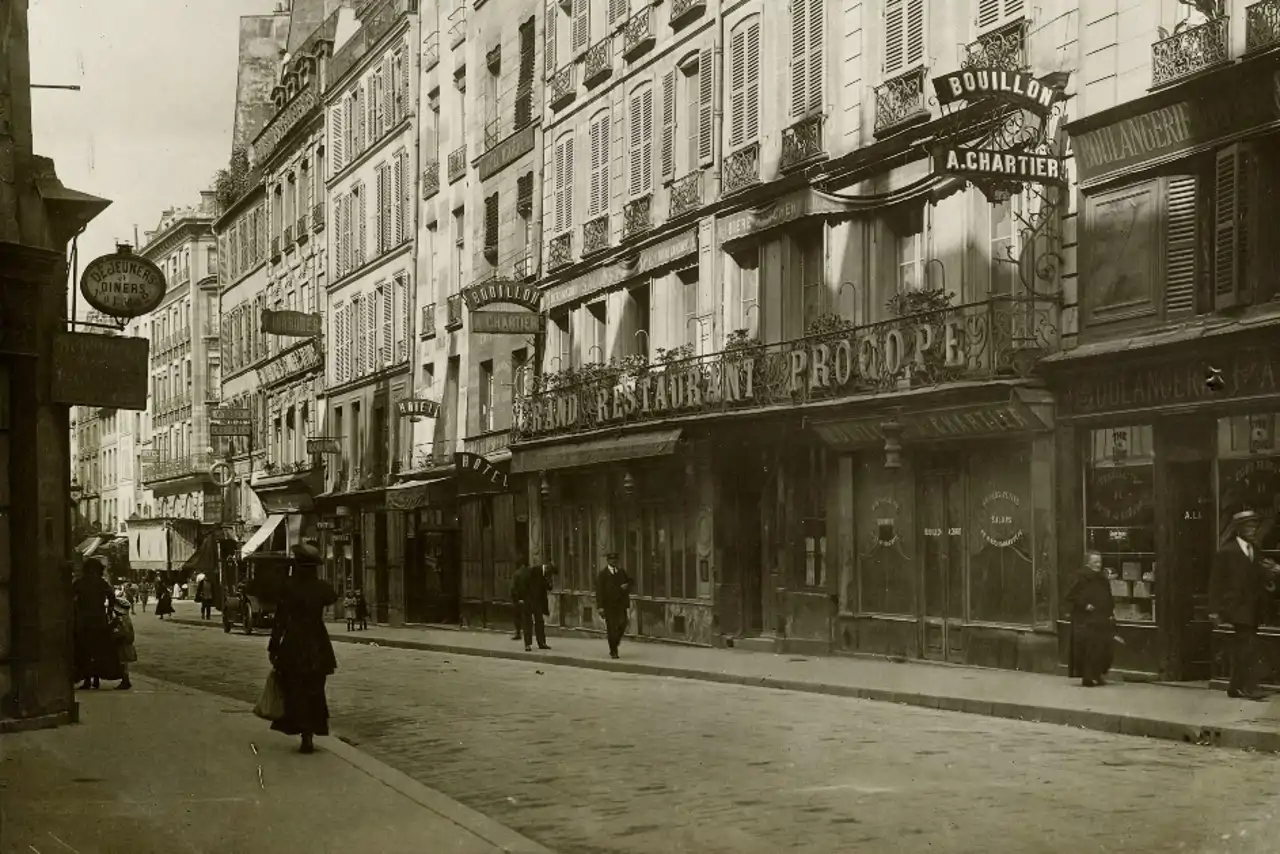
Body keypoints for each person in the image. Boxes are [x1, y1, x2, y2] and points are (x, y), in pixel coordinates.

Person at [268, 543, 338, 754]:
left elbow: (280, 619)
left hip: (294, 642)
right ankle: (310, 732)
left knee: (295, 689)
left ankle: (303, 732)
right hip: (317, 642)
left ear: (297, 565)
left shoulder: (289, 587)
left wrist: (273, 646)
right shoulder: (321, 587)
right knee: (315, 689)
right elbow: (332, 596)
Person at [1210, 509, 1280, 701]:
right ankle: (1250, 688)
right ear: (1238, 529)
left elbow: (1259, 576)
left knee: (1244, 647)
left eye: (1254, 526)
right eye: (1249, 526)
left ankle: (1234, 687)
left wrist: (1271, 579)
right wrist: (1214, 610)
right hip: (1236, 608)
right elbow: (1215, 582)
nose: (1253, 529)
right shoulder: (1227, 551)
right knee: (1249, 647)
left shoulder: (1255, 549)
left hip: (1254, 607)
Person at [1066, 550, 1116, 687]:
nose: (1098, 565)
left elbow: (1108, 596)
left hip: (1101, 618)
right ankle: (1088, 677)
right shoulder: (1080, 577)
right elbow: (1071, 596)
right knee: (1088, 649)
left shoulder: (1102, 578)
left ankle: (1097, 675)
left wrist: (1110, 611)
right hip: (1086, 620)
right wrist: (1085, 605)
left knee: (1102, 649)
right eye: (1095, 562)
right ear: (1088, 563)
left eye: (1100, 562)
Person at [72, 557, 117, 690]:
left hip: (84, 620)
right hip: (98, 619)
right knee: (98, 650)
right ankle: (95, 678)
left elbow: (70, 598)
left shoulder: (80, 583)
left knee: (84, 650)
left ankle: (88, 679)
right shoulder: (101, 583)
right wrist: (109, 610)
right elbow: (112, 597)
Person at [511, 562, 558, 652]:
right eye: (550, 574)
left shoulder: (544, 575)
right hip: (528, 601)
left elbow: (548, 587)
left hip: (538, 602)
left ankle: (541, 643)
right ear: (547, 569)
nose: (550, 576)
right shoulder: (533, 570)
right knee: (528, 622)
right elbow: (523, 584)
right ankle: (528, 644)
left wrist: (549, 581)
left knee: (539, 622)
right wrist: (520, 598)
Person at [595, 551, 631, 659]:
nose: (614, 561)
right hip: (609, 605)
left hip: (620, 605)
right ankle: (613, 651)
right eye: (611, 560)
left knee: (623, 623)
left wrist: (627, 586)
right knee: (611, 628)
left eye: (615, 560)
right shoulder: (603, 574)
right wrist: (600, 607)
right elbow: (599, 591)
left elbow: (631, 582)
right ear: (608, 561)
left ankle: (615, 641)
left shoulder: (621, 572)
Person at [109, 597, 136, 691]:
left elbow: (123, 632)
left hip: (123, 644)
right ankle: (125, 680)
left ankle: (125, 681)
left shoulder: (120, 620)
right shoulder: (126, 618)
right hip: (127, 644)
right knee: (124, 663)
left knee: (123, 663)